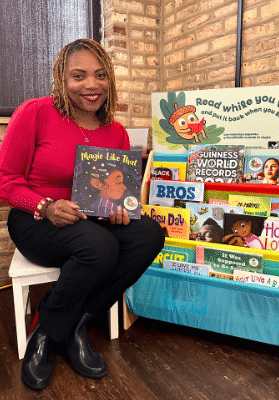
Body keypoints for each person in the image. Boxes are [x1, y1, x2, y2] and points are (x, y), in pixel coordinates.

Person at [0, 39, 165, 390]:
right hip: (35, 219)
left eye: (100, 75)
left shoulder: (117, 132)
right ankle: (43, 336)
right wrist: (44, 206)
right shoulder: (35, 112)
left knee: (150, 234)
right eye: (79, 76)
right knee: (100, 246)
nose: (91, 85)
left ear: (110, 80)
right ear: (63, 78)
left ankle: (70, 322)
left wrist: (120, 210)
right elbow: (5, 181)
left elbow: (120, 195)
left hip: (90, 220)